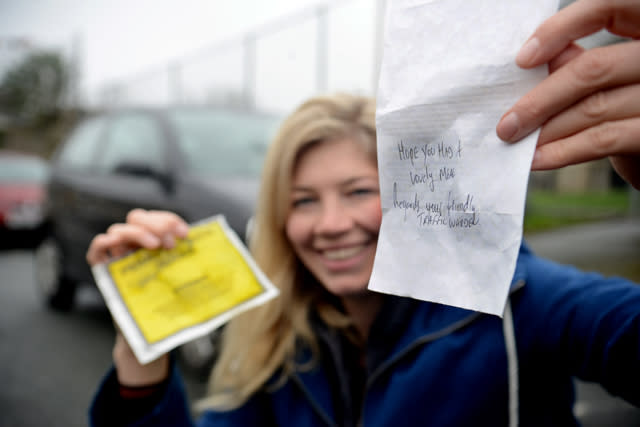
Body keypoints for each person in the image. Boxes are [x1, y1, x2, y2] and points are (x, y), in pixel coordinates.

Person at [88, 0, 640, 425]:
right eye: (303, 200)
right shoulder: (276, 333)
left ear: (412, 196)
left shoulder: (516, 300)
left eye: (357, 192)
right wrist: (142, 347)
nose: (329, 225)